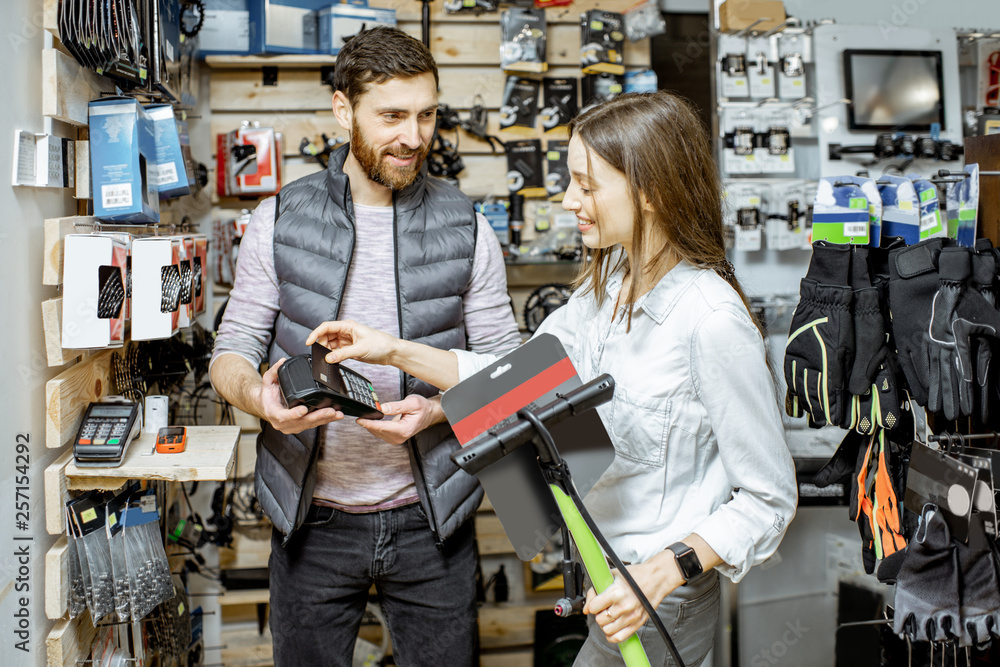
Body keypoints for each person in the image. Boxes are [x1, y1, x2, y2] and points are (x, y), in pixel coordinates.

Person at [306, 91, 799, 667]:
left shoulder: (711, 322)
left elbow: (768, 499)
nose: (568, 201)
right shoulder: (612, 279)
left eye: (587, 186)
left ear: (652, 191)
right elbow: (521, 375)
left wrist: (662, 573)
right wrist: (392, 352)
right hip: (606, 577)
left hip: (660, 601)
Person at [209, 27, 521, 667]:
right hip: (311, 523)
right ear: (343, 109)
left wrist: (437, 413)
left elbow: (511, 375)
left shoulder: (468, 227)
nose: (414, 136)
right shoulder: (279, 219)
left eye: (427, 114)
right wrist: (260, 398)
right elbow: (231, 350)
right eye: (392, 116)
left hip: (434, 520)